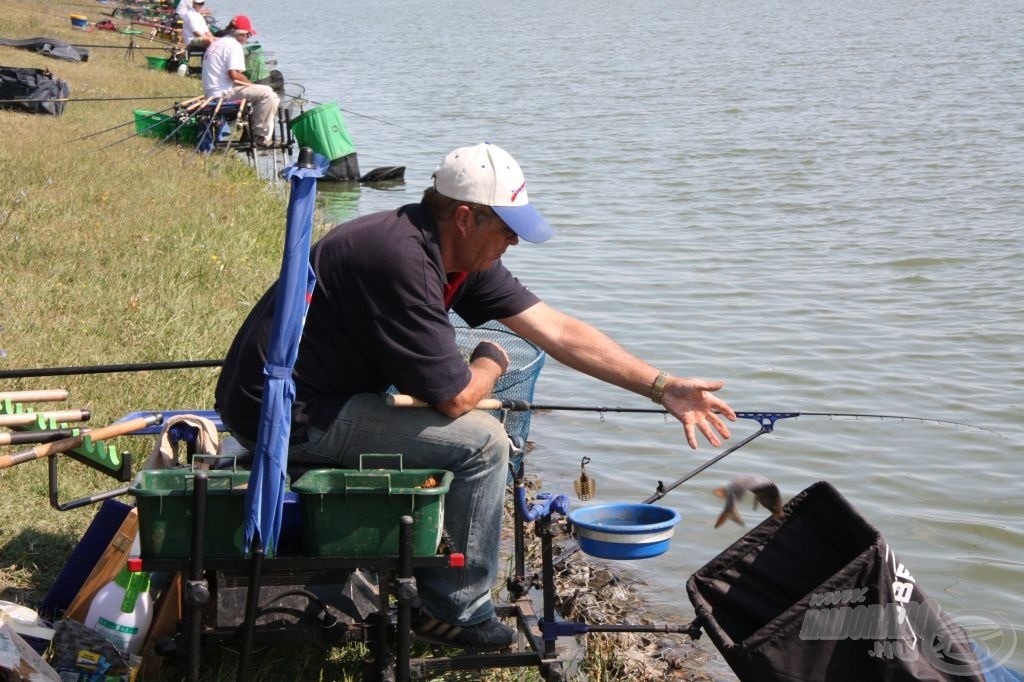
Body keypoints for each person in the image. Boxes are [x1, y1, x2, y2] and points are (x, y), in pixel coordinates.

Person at [215, 142, 736, 649]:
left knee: (470, 433)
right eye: (508, 230)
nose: (513, 243)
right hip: (282, 412)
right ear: (466, 217)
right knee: (482, 442)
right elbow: (460, 398)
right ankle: (454, 612)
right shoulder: (397, 257)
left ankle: (432, 567)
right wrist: (490, 358)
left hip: (315, 396)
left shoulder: (457, 256)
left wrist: (662, 386)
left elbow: (556, 329)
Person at [199, 15, 279, 147]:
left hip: (212, 93)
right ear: (241, 34)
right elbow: (234, 75)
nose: (247, 39)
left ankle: (250, 131)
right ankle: (259, 137)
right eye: (248, 35)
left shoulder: (218, 42)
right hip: (222, 94)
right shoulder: (234, 46)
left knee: (266, 91)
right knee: (269, 95)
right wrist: (251, 85)